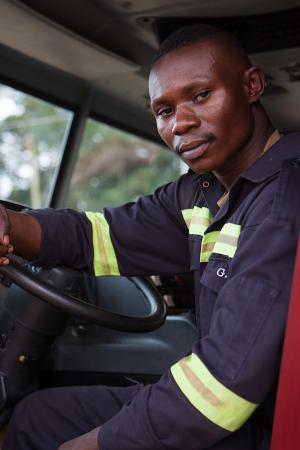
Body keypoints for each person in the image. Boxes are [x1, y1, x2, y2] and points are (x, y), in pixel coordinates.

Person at [0, 23, 300, 450]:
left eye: (200, 96)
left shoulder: (283, 202)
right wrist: (10, 225)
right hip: (235, 410)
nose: (181, 124)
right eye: (164, 111)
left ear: (252, 86)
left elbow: (221, 391)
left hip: (266, 428)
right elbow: (95, 236)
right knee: (36, 417)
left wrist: (96, 444)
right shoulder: (203, 192)